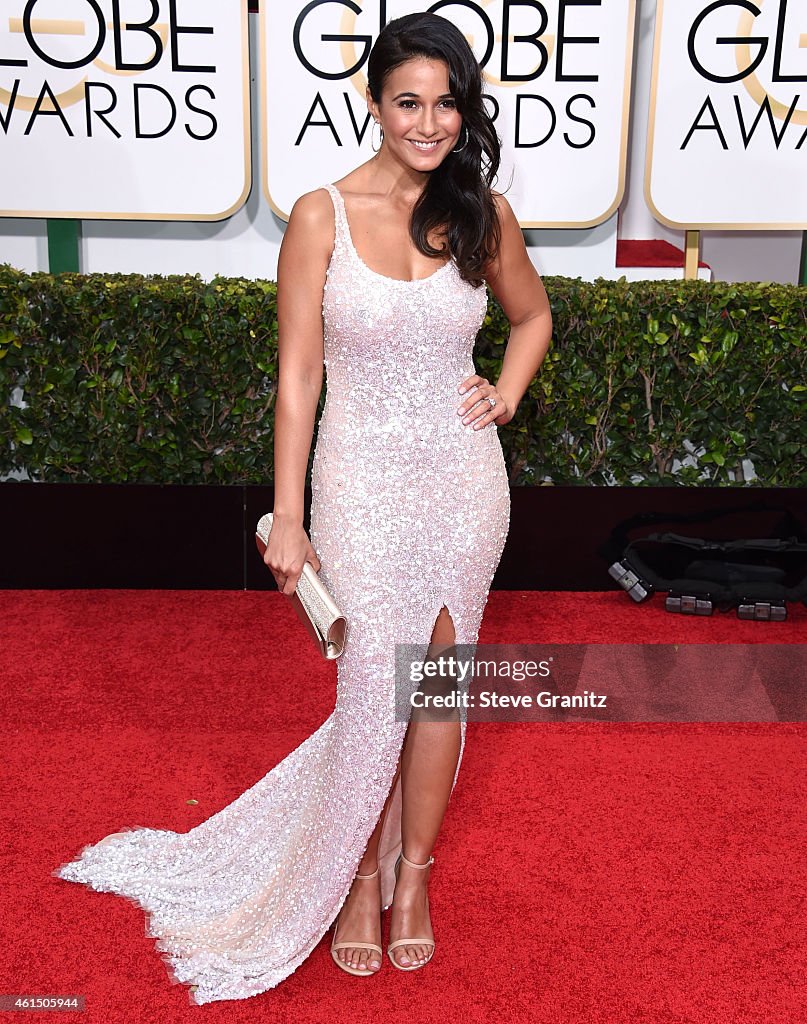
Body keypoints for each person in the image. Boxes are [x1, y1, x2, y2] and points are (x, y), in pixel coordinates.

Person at [53, 11, 552, 1004]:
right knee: (372, 690)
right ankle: (353, 874)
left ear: (466, 109)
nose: (429, 121)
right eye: (408, 100)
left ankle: (412, 876)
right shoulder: (321, 212)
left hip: (463, 478)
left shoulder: (480, 212)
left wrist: (507, 386)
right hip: (359, 479)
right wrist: (289, 514)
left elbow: (534, 315)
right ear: (373, 103)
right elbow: (298, 379)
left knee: (441, 684)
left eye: (447, 102)